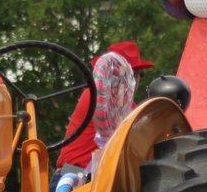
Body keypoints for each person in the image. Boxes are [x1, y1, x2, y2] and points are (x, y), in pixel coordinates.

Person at [57, 40, 154, 169]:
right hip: (74, 177)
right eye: (134, 75)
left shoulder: (128, 106)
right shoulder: (97, 96)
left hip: (97, 178)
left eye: (139, 75)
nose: (134, 81)